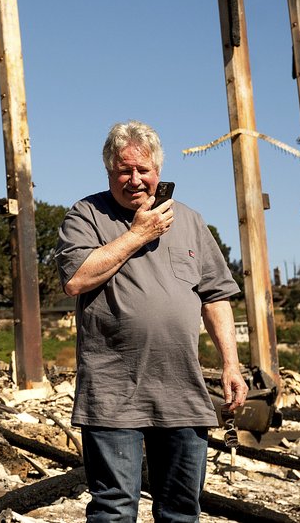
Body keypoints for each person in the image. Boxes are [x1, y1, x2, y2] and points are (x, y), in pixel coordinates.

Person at [56, 120, 247, 523]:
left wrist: (231, 363)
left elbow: (215, 296)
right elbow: (76, 279)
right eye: (124, 170)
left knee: (181, 511)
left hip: (182, 393)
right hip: (113, 394)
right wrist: (138, 234)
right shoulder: (86, 215)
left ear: (158, 172)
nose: (135, 179)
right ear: (110, 172)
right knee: (113, 511)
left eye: (143, 170)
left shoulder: (191, 221)